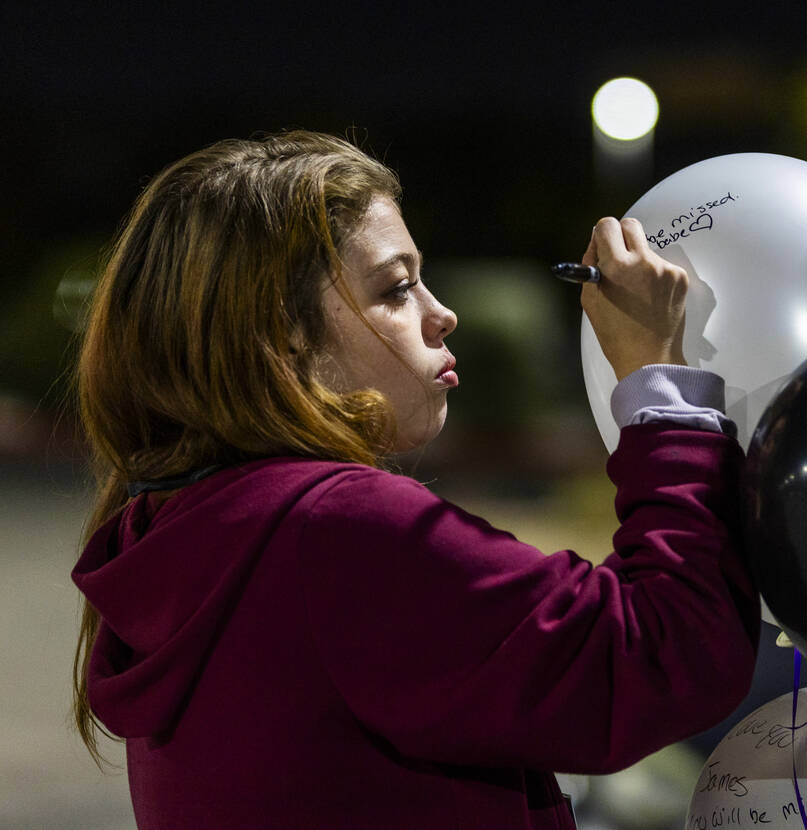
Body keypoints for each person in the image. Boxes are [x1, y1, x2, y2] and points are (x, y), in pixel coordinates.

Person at [70, 130, 759, 829]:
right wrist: (660, 385)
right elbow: (670, 653)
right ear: (282, 337)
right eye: (397, 288)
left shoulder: (166, 525)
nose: (442, 313)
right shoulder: (343, 533)